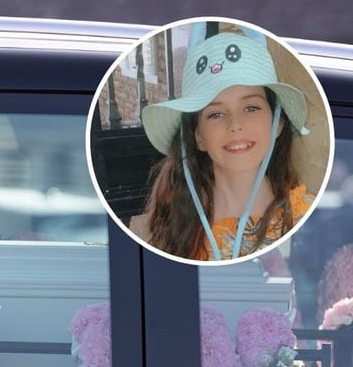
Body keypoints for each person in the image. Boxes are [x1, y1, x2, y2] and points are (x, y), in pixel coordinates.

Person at [131, 23, 314, 261]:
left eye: (251, 108)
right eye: (215, 114)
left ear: (277, 123)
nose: (235, 124)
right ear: (198, 137)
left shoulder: (309, 216)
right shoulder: (177, 225)